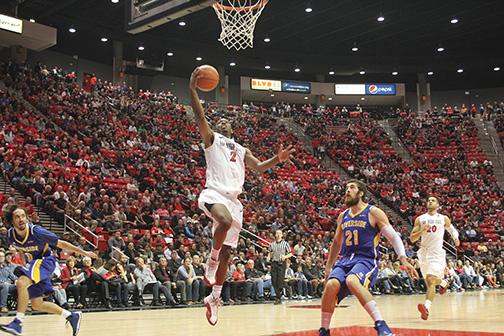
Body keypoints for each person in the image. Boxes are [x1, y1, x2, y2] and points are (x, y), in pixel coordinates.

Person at [189, 66, 295, 326]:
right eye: (220, 121)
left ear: (233, 129)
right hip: (215, 192)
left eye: (228, 122)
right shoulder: (212, 138)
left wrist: (277, 159)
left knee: (228, 254)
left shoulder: (241, 147)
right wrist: (192, 89)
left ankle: (214, 298)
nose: (224, 122)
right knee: (222, 223)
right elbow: (199, 115)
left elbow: (259, 167)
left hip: (235, 202)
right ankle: (210, 261)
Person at [319, 180, 418, 336]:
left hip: (365, 259)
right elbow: (337, 243)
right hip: (345, 260)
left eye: (351, 187)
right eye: (346, 188)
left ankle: (381, 325)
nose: (347, 190)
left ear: (361, 193)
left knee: (352, 280)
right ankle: (324, 330)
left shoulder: (374, 212)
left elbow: (393, 237)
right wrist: (328, 267)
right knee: (330, 285)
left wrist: (403, 258)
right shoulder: (342, 216)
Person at [0, 205, 96, 336]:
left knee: (21, 282)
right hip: (34, 266)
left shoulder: (36, 231)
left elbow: (62, 244)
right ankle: (71, 316)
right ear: (12, 220)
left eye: (23, 216)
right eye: (17, 217)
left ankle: (17, 323)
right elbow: (22, 250)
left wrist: (84, 252)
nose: (21, 219)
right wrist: (24, 265)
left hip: (45, 261)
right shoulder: (11, 235)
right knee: (37, 304)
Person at [410, 196, 459, 320]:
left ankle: (426, 308)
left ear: (438, 205)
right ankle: (444, 282)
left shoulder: (443, 218)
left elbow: (451, 229)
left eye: (433, 200)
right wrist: (421, 230)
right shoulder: (420, 219)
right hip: (423, 253)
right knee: (429, 281)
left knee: (431, 279)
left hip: (437, 253)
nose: (430, 201)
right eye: (428, 200)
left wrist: (456, 238)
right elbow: (412, 238)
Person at [268, 230, 292, 304]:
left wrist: (285, 256)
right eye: (277, 233)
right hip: (274, 263)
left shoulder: (285, 244)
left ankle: (287, 287)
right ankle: (278, 298)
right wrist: (268, 257)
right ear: (275, 235)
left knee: (280, 282)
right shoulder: (272, 244)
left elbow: (290, 253)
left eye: (279, 233)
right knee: (274, 281)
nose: (278, 235)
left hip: (281, 263)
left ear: (282, 235)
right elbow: (270, 253)